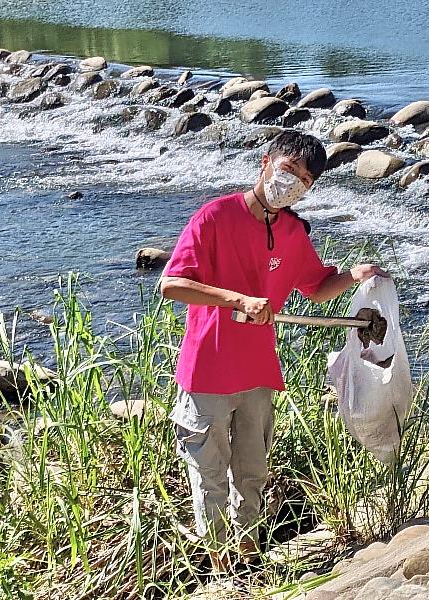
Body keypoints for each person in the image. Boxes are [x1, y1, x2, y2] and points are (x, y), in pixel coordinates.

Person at [159, 130, 388, 573]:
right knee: (209, 479)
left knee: (252, 476)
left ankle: (247, 561)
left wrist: (353, 276)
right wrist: (237, 300)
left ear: (310, 188)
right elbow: (172, 284)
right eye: (287, 170)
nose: (293, 183)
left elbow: (316, 288)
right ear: (266, 162)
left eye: (304, 180)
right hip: (206, 372)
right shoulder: (214, 217)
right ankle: (218, 566)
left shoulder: (291, 232)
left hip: (259, 374)